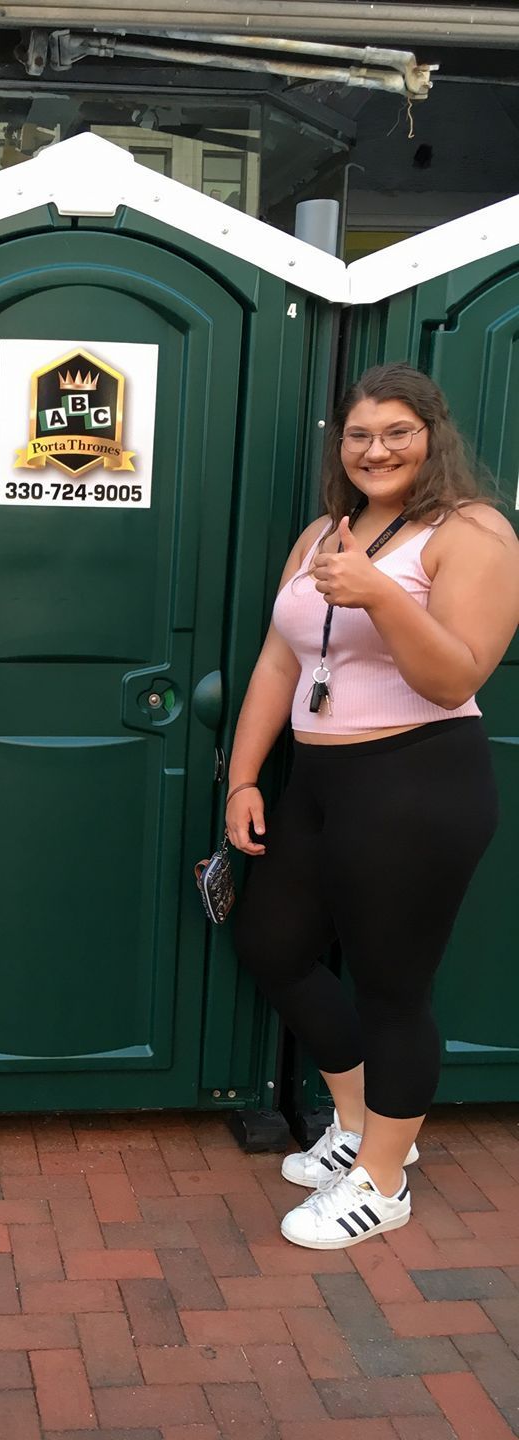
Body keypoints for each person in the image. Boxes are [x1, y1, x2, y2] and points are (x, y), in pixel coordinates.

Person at [226, 364, 519, 1251]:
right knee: (272, 943)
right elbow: (282, 658)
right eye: (359, 435)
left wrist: (383, 594)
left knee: (394, 989)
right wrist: (243, 777)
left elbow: (456, 675)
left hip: (417, 780)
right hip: (317, 782)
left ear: (433, 435)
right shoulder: (328, 529)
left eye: (397, 431)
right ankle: (357, 1126)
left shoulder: (472, 530)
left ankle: (386, 1180)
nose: (376, 449)